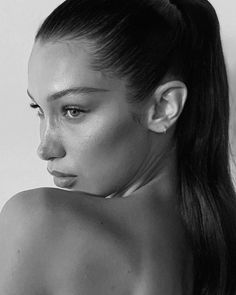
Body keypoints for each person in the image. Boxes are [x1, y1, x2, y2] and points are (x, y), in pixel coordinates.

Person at [0, 0, 236, 294]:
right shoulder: (221, 252)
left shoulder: (38, 221)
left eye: (73, 110)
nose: (45, 148)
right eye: (38, 108)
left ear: (163, 107)